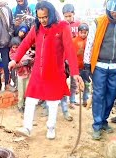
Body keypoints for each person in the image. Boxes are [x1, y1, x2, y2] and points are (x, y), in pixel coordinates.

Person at [8, 1, 82, 140]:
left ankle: (51, 127)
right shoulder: (36, 27)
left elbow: (70, 50)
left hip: (54, 72)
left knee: (52, 102)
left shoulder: (62, 27)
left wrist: (75, 72)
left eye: (45, 17)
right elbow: (25, 43)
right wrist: (15, 60)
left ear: (52, 14)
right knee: (30, 100)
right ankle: (27, 127)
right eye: (40, 17)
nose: (42, 20)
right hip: (38, 72)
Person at [83, 0, 116, 140]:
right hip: (99, 65)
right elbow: (90, 43)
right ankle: (97, 125)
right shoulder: (98, 21)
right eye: (112, 10)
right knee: (99, 95)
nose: (114, 13)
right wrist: (87, 64)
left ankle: (104, 120)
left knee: (111, 96)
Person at [9, 37, 34, 113]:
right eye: (13, 47)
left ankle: (26, 105)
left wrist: (29, 61)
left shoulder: (25, 51)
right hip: (20, 74)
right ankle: (20, 105)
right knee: (21, 92)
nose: (15, 48)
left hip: (28, 72)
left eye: (17, 47)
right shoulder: (12, 53)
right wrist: (24, 63)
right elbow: (15, 64)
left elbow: (32, 59)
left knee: (27, 91)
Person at [72, 23, 90, 107]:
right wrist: (76, 53)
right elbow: (70, 54)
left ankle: (85, 99)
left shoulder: (89, 41)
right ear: (78, 32)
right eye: (81, 32)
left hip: (86, 67)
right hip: (76, 67)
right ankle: (72, 100)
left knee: (86, 84)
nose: (83, 34)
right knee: (74, 84)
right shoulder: (74, 41)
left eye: (85, 32)